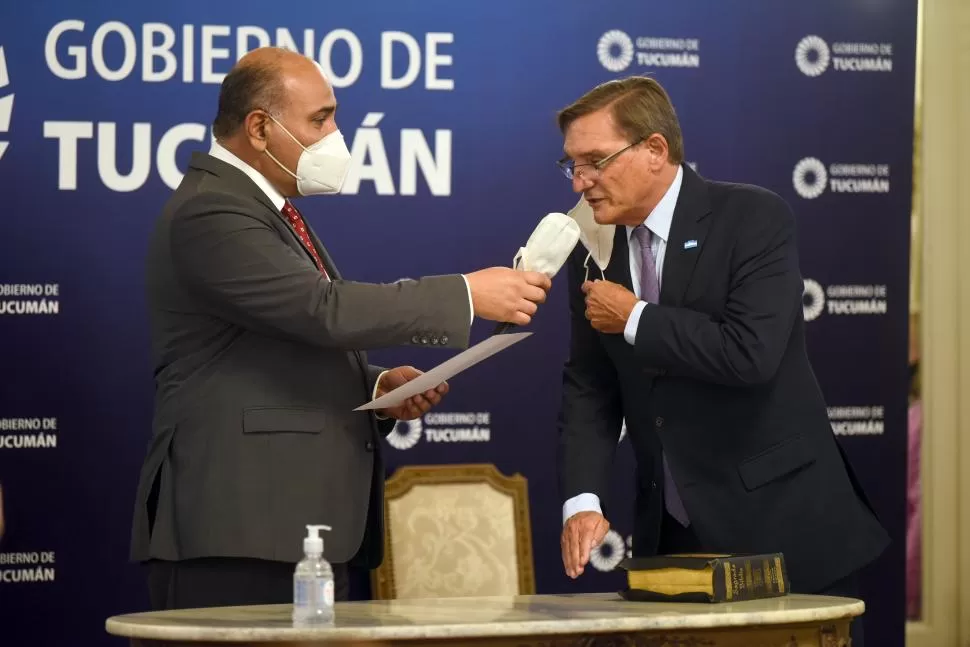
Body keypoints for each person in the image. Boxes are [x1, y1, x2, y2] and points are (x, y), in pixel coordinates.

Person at [130, 46, 551, 611]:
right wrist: (466, 293)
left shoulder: (260, 209)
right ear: (259, 128)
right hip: (241, 531)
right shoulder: (212, 210)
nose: (336, 135)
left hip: (296, 529)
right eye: (321, 119)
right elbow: (321, 310)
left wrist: (375, 387)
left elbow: (273, 340)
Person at [554, 76, 887, 646]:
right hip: (673, 538)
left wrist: (636, 318)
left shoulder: (753, 219)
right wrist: (582, 500)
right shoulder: (589, 249)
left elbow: (750, 353)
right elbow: (591, 384)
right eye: (571, 166)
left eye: (594, 161)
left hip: (782, 529)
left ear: (654, 150)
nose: (581, 182)